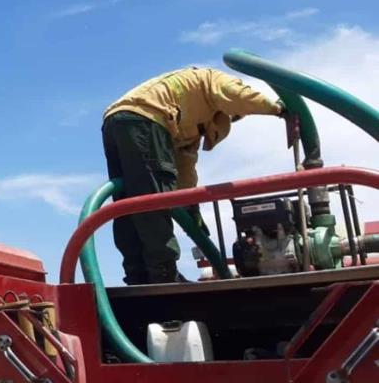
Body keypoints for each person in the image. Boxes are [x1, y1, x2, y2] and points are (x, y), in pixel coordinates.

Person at [101, 67, 286, 285]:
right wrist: (278, 109)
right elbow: (239, 94)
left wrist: (191, 207)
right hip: (146, 119)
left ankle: (137, 275)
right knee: (155, 201)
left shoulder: (187, 119)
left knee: (128, 204)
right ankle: (163, 275)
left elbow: (185, 166)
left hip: (114, 121)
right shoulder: (211, 80)